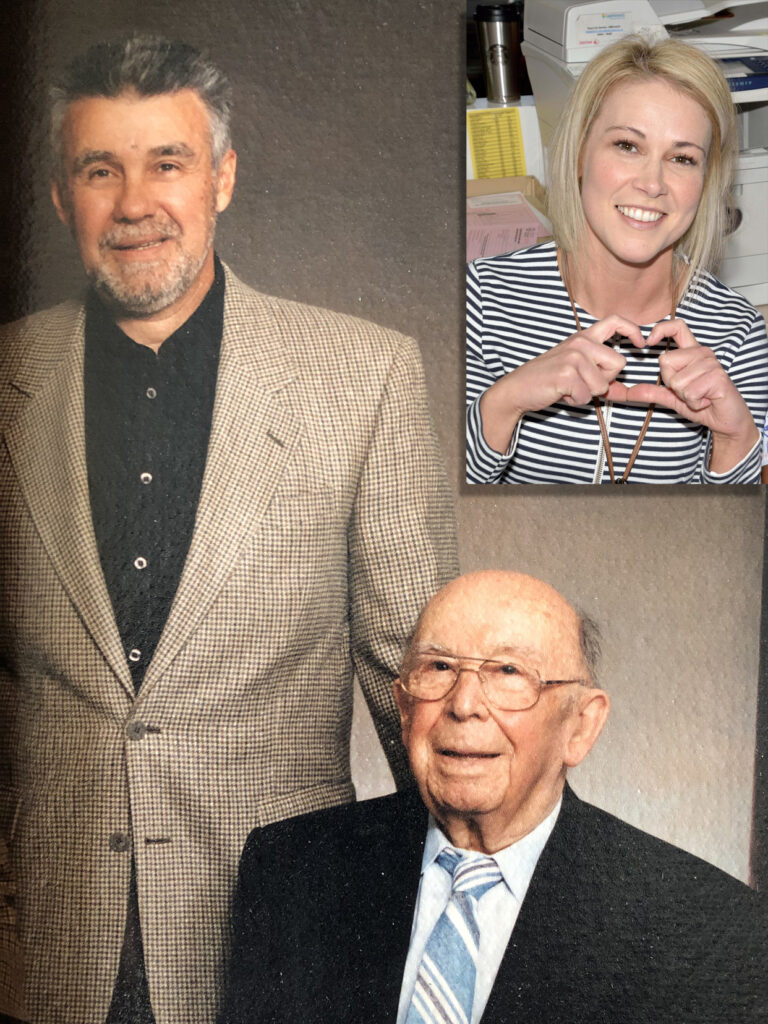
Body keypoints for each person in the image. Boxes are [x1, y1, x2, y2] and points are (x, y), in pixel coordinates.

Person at [0, 35, 458, 1024]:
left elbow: (423, 699)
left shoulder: (363, 377)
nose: (134, 203)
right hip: (41, 953)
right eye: (99, 170)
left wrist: (459, 942)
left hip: (283, 947)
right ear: (58, 197)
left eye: (166, 162)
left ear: (222, 178)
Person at [221, 570, 765, 1024]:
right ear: (405, 705)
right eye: (438, 668)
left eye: (508, 672)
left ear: (580, 726)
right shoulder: (291, 866)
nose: (463, 705)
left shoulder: (707, 927)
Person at [466, 36, 768, 484]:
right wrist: (504, 402)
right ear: (581, 153)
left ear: (706, 182)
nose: (653, 183)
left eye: (683, 158)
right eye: (628, 145)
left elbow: (734, 540)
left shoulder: (740, 334)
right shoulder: (481, 299)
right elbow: (427, 509)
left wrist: (736, 440)